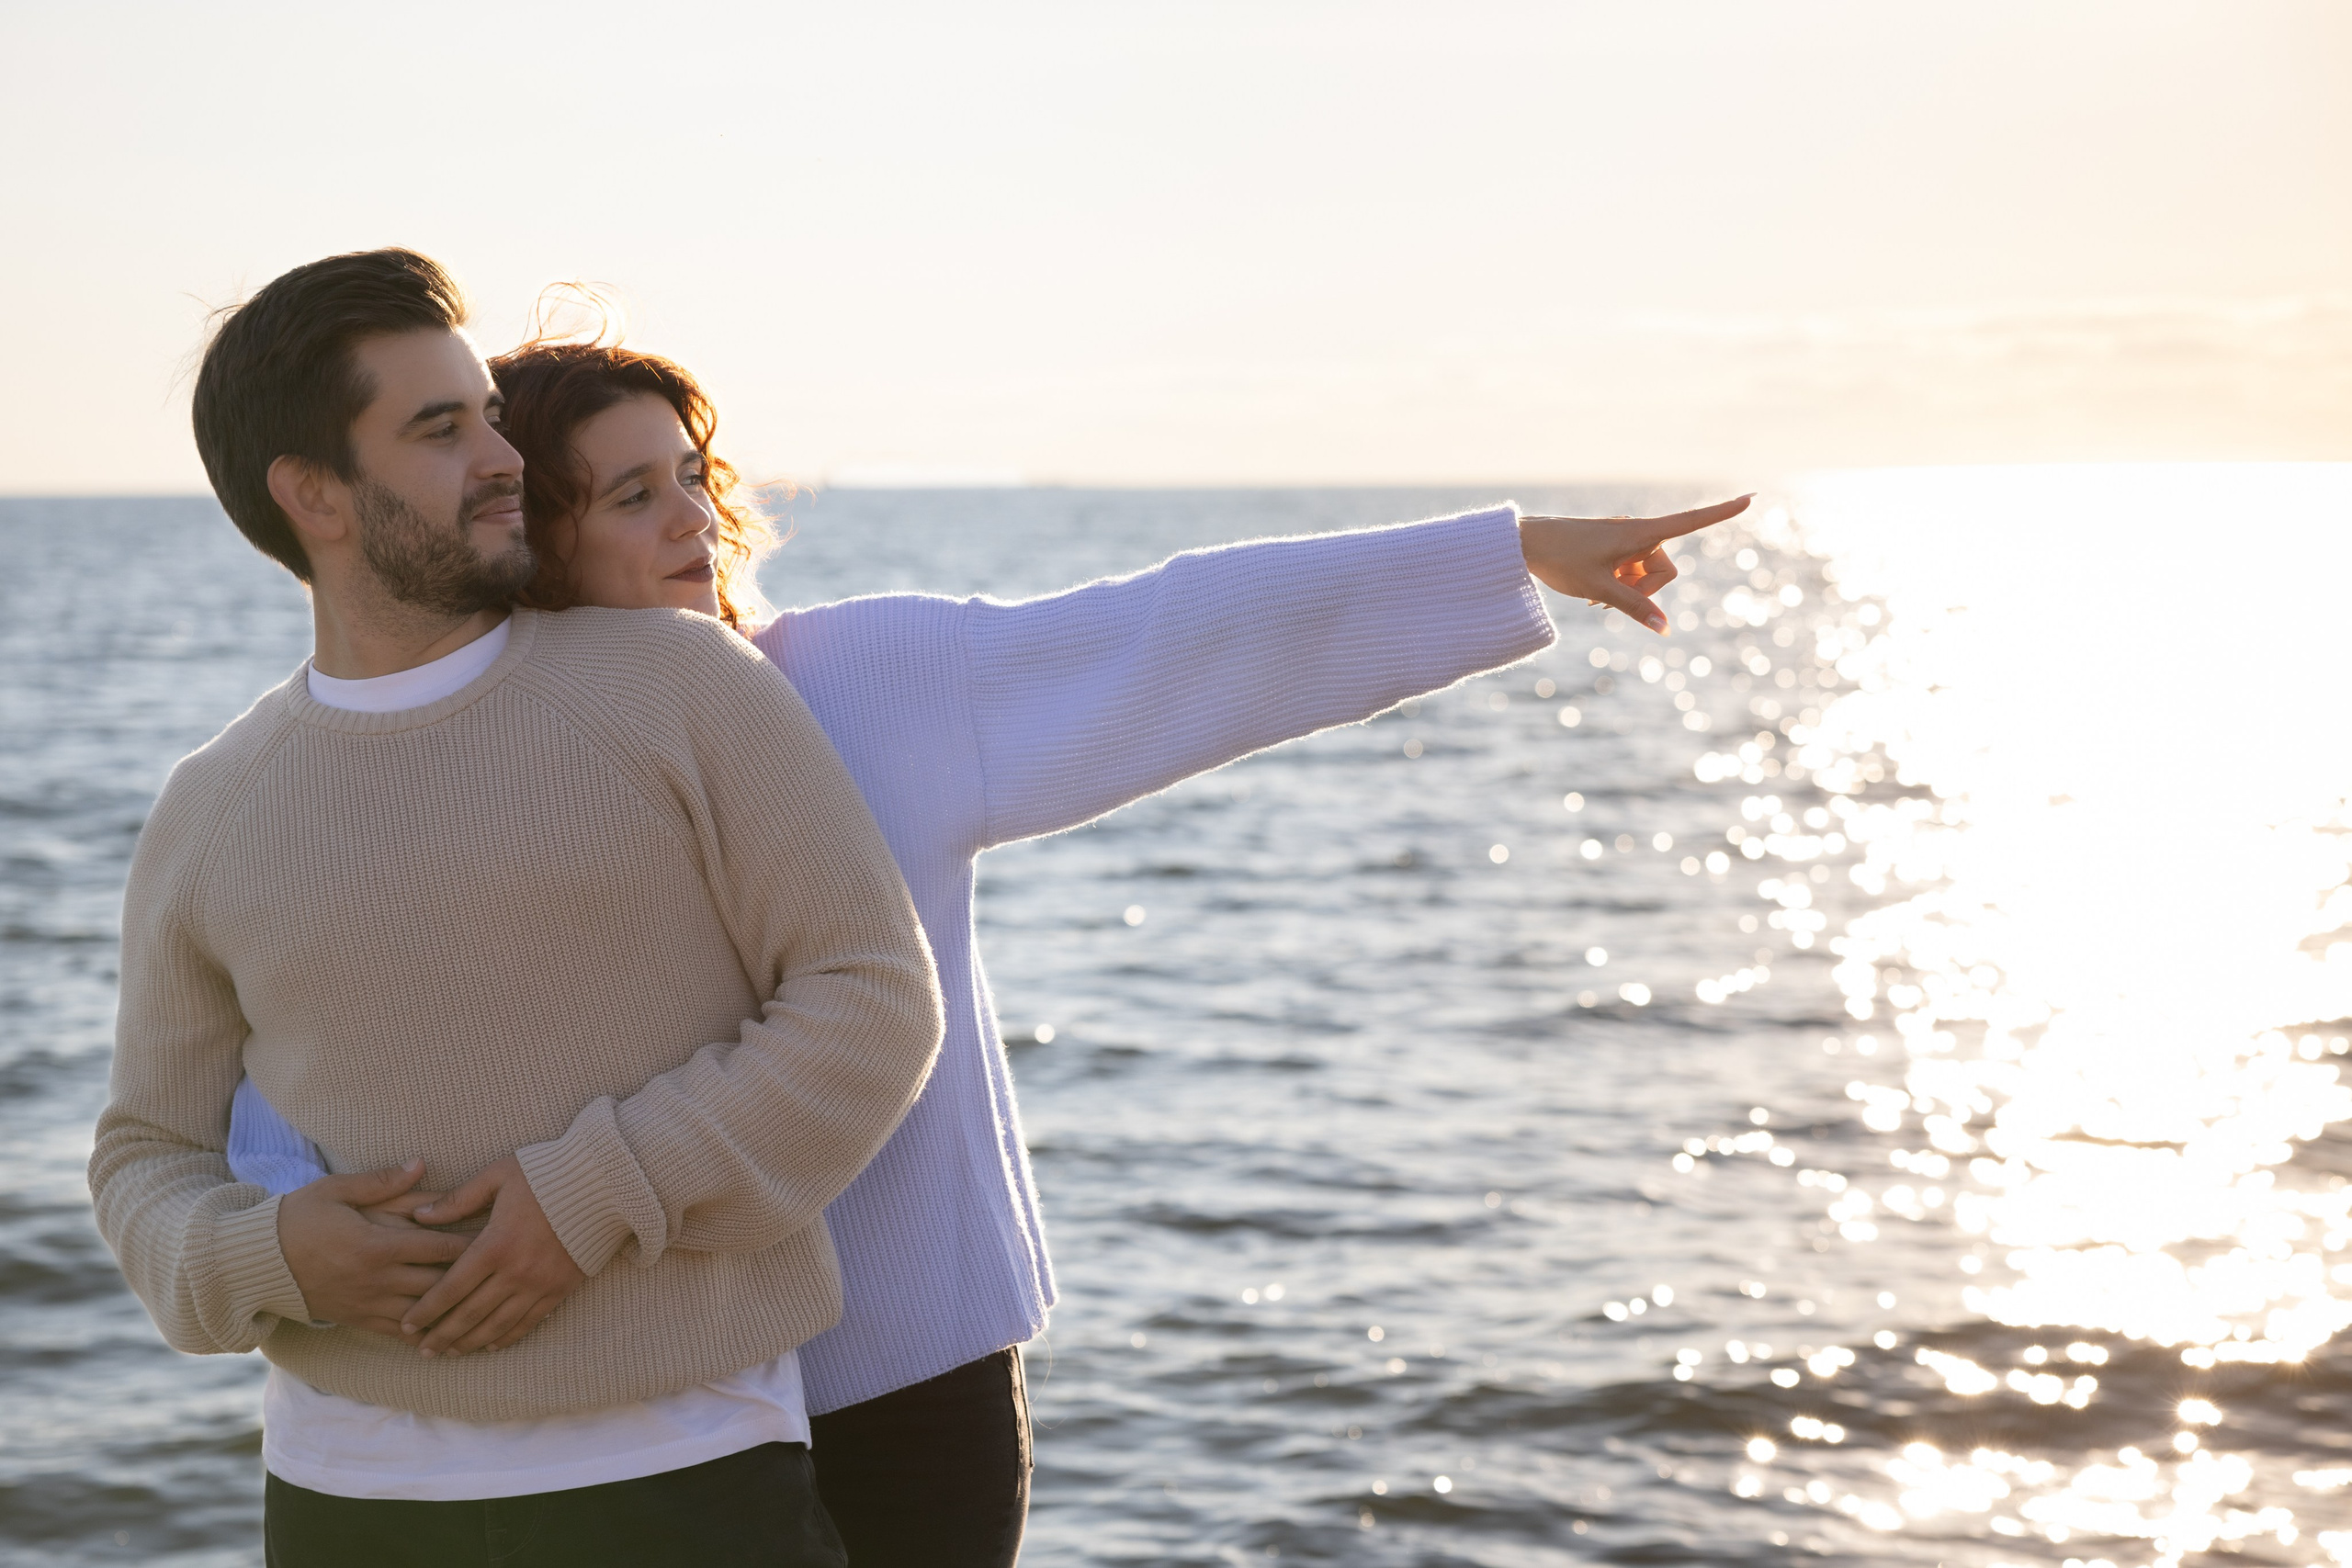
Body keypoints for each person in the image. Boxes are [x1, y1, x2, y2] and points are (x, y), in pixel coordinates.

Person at [227, 320, 1749, 1563]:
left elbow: (1181, 632)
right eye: (628, 497)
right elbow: (352, 1029)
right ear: (537, 542)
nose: (689, 515)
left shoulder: (865, 681)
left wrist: (1515, 553)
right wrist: (294, 1243)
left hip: (909, 1383)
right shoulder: (485, 755)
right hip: (648, 1413)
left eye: (690, 476)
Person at [88, 250, 946, 1568]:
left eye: (489, 413)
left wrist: (590, 1194)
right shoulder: (214, 807)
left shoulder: (681, 685)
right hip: (342, 1501)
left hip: (687, 1468)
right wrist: (269, 1252)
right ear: (312, 494)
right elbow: (146, 1158)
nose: (500, 456)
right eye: (441, 429)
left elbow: (871, 999)